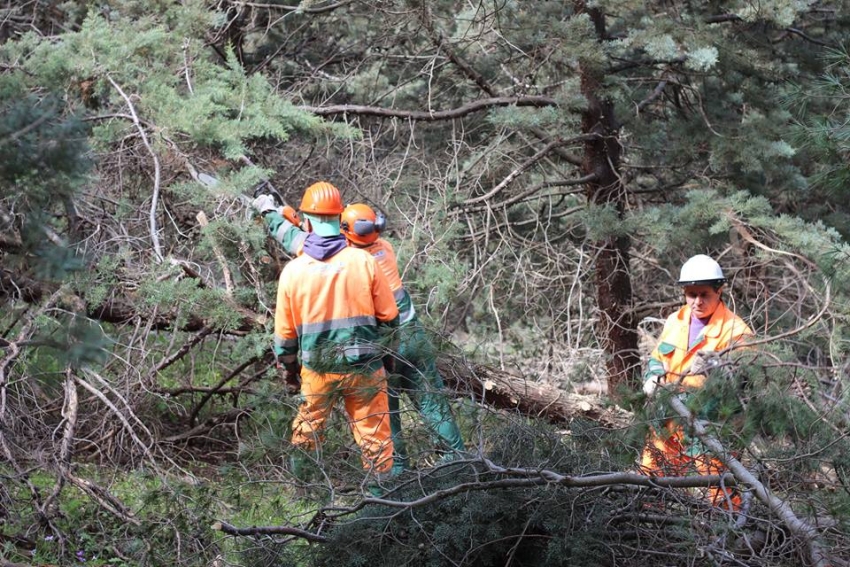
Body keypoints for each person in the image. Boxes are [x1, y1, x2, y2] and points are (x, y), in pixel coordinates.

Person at [253, 195, 466, 472]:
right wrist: (296, 215)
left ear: (347, 232)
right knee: (431, 399)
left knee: (381, 418)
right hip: (412, 334)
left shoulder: (353, 258)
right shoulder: (382, 247)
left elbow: (300, 240)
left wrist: (271, 212)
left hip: (379, 342)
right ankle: (459, 459)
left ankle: (396, 476)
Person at [269, 182, 399, 481]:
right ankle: (386, 503)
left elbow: (285, 337)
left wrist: (290, 373)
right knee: (375, 437)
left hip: (317, 370)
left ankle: (305, 495)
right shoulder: (363, 261)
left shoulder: (294, 271)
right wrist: (388, 359)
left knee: (307, 430)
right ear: (339, 218)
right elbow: (390, 316)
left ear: (308, 219)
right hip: (365, 366)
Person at [641, 254, 753, 510]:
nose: (697, 301)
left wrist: (714, 367)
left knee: (719, 487)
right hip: (668, 416)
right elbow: (658, 356)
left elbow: (742, 378)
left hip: (710, 422)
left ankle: (732, 537)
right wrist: (652, 375)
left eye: (704, 294)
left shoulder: (736, 331)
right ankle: (650, 529)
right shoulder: (675, 320)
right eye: (691, 294)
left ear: (719, 290)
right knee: (652, 478)